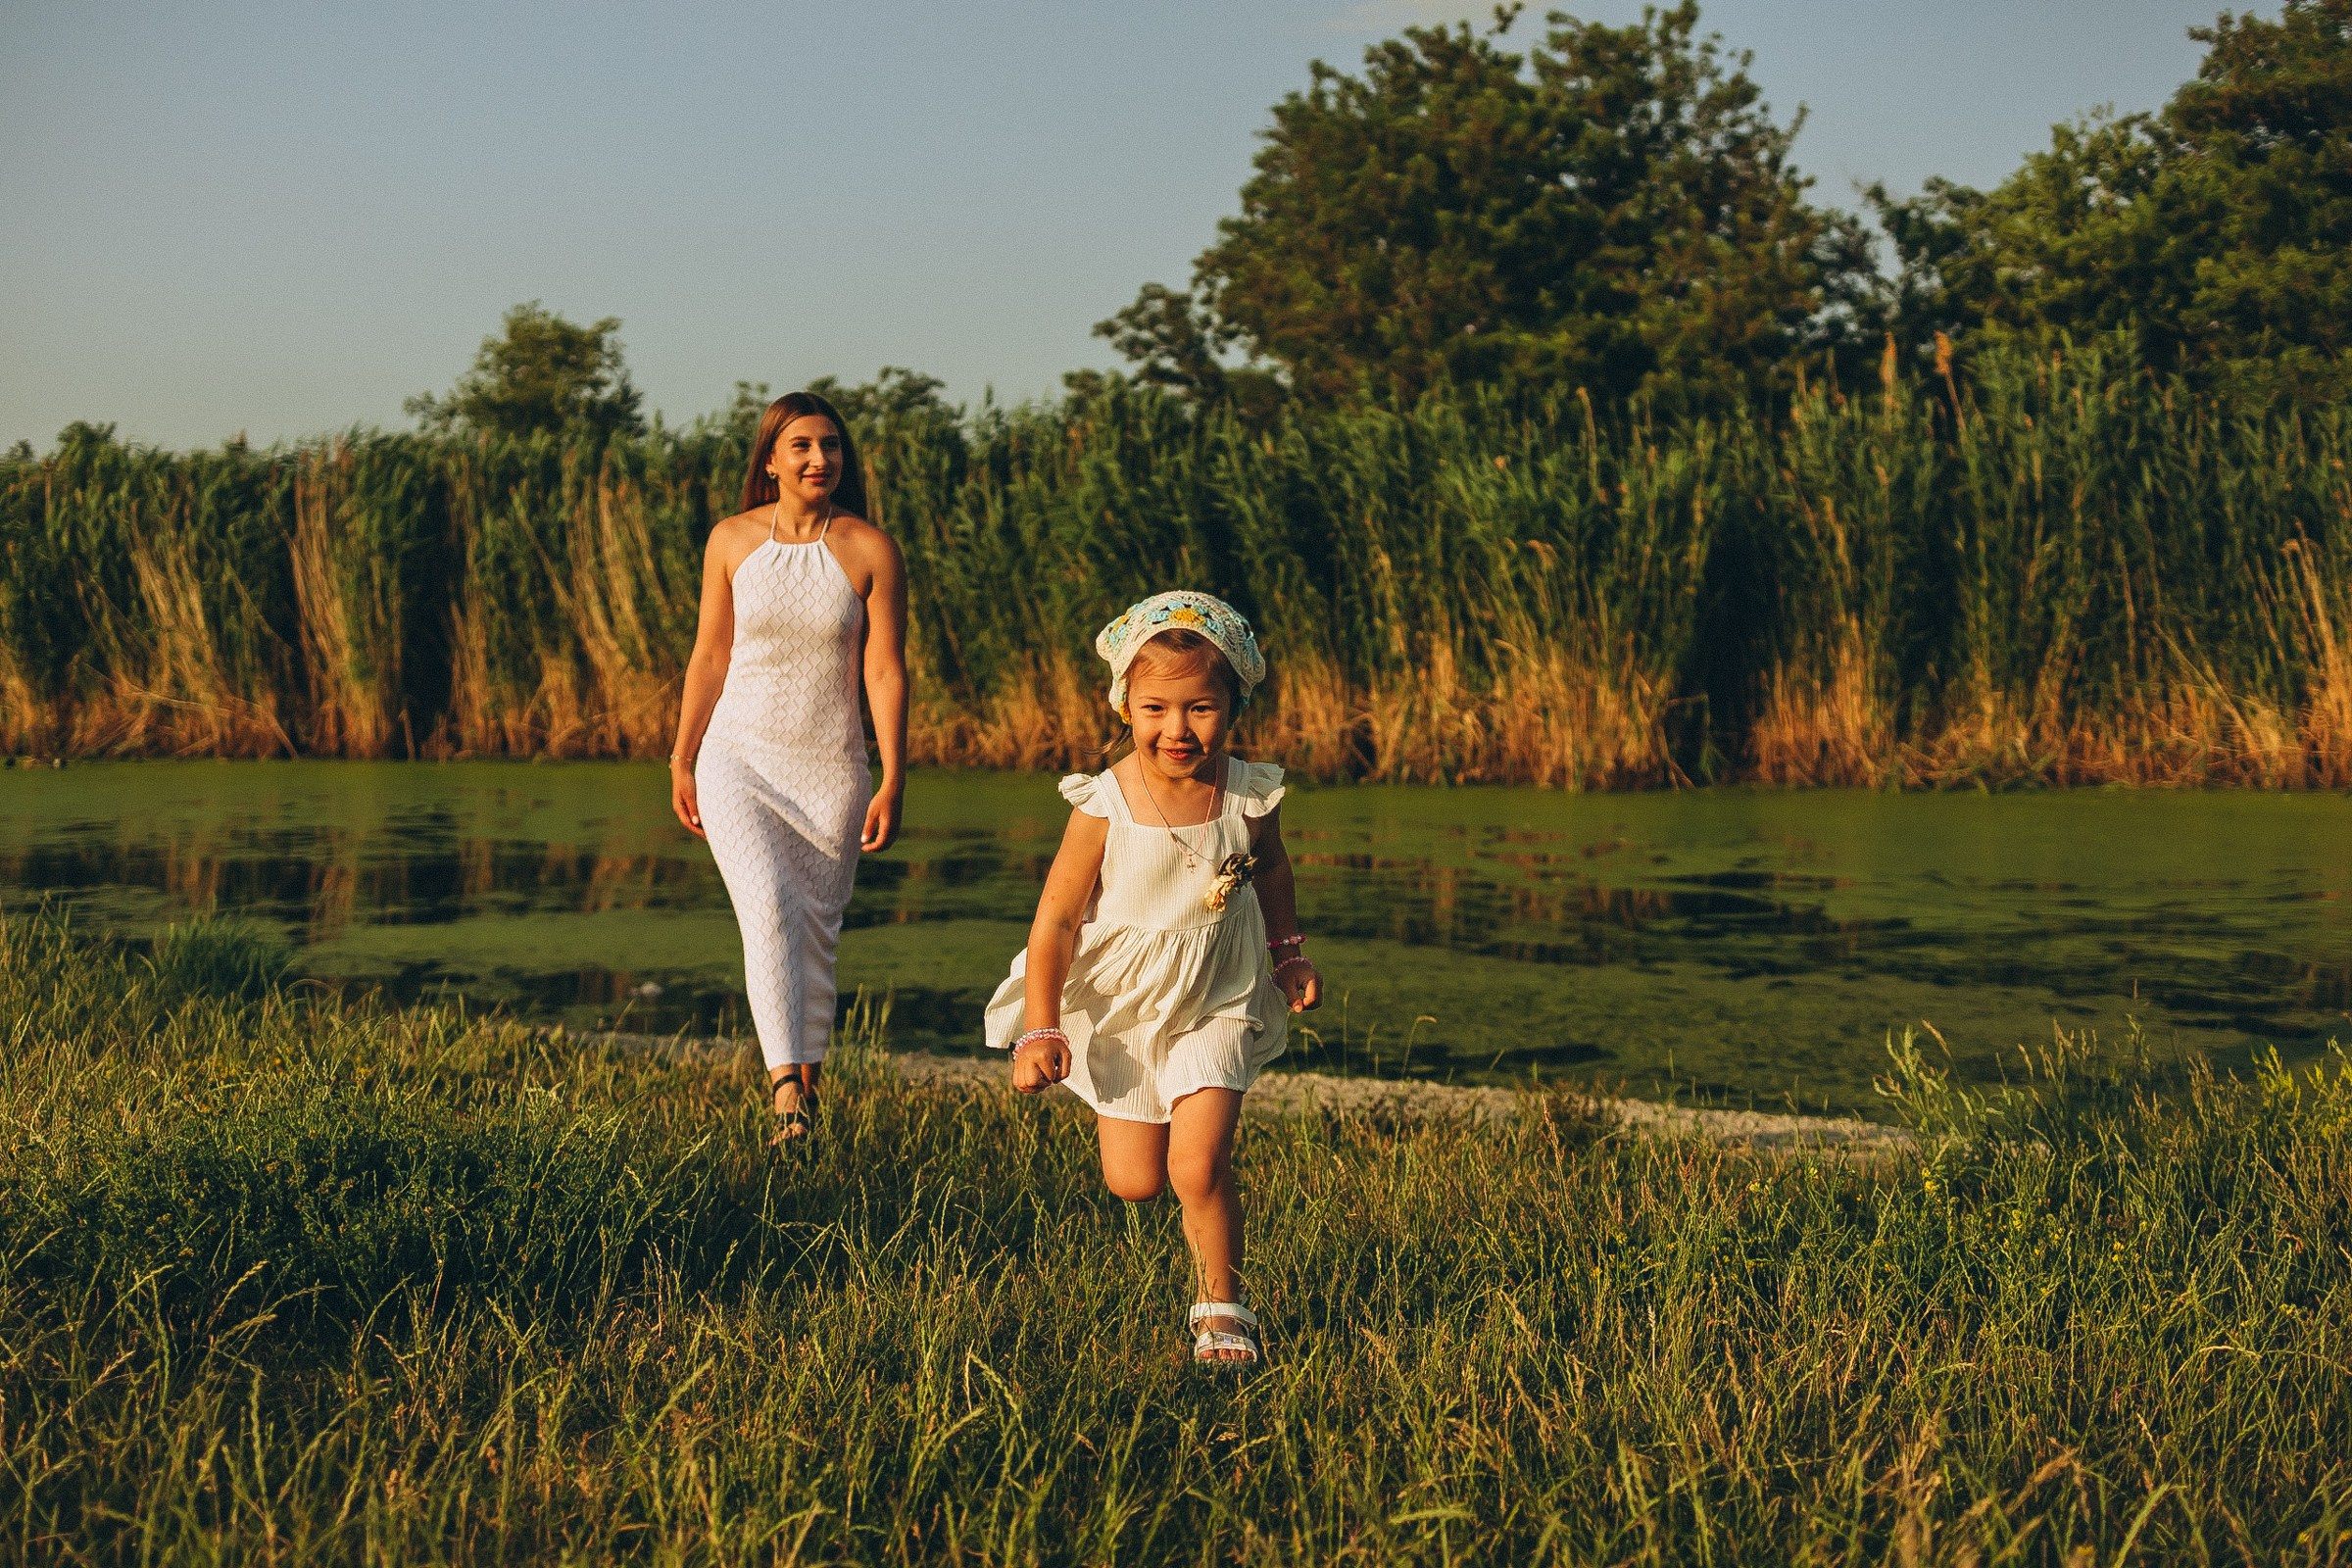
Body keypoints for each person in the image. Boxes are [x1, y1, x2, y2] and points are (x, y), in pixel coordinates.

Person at [985, 590, 1321, 1367]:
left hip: (1220, 991)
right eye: (1156, 709)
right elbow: (1056, 923)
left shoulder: (1247, 791)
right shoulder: (1104, 804)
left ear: (1233, 704)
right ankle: (1161, 1114)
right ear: (1125, 708)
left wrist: (1289, 952)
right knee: (1135, 1181)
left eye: (1200, 708)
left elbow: (1270, 869)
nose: (1178, 730)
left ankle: (1223, 1309)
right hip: (1129, 1006)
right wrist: (1040, 1028)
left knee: (1196, 1166)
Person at [669, 391, 907, 1144]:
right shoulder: (732, 541)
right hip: (737, 757)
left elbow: (885, 672)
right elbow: (710, 654)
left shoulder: (871, 549)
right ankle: (784, 1092)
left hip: (832, 769)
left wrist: (894, 773)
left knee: (814, 929)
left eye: (831, 446)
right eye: (801, 446)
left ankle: (807, 1095)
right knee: (770, 907)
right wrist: (682, 757)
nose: (818, 460)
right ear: (770, 460)